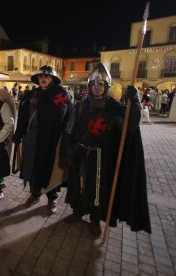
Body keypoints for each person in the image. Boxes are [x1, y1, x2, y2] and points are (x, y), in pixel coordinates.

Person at [63, 63, 151, 236]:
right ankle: (77, 211)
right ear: (89, 86)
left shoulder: (115, 108)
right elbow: (68, 131)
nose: (96, 88)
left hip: (102, 157)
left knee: (97, 188)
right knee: (77, 185)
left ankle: (95, 219)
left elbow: (131, 126)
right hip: (80, 154)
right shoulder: (79, 106)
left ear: (107, 86)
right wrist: (68, 152)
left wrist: (135, 101)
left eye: (100, 84)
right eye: (93, 84)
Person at [12, 65, 72, 214]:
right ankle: (35, 194)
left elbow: (69, 117)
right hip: (33, 139)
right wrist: (19, 133)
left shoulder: (61, 94)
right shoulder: (32, 95)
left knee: (51, 167)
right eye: (40, 76)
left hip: (52, 139)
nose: (43, 79)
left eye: (46, 76)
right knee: (33, 166)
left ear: (52, 79)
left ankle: (52, 198)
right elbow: (23, 118)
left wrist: (68, 138)